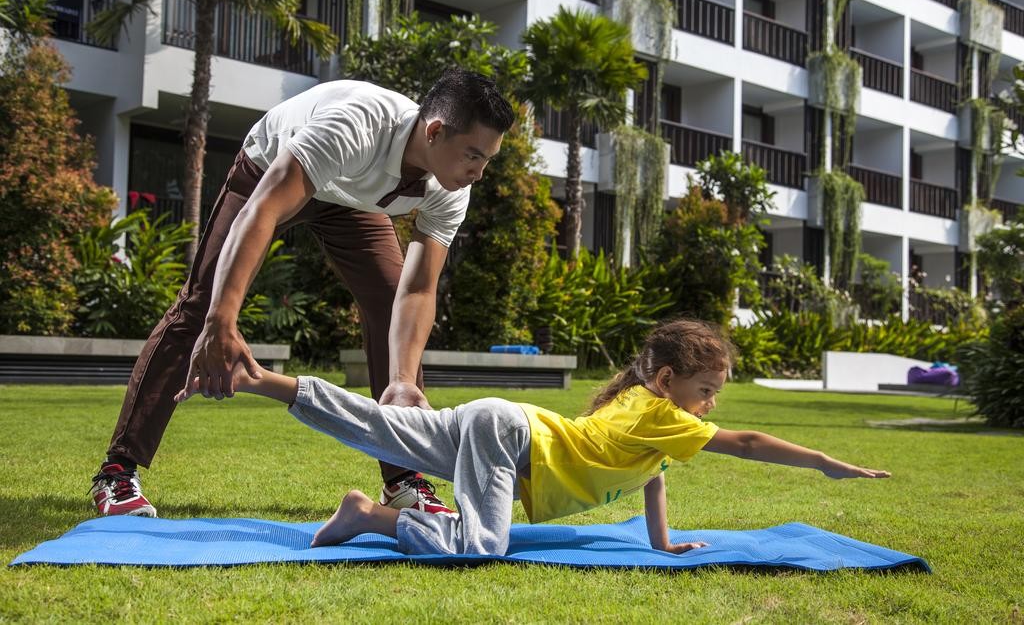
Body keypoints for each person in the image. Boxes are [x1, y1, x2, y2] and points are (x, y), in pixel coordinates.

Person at [90, 68, 516, 519]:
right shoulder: (357, 124)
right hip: (271, 168)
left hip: (352, 202)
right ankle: (117, 473)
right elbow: (264, 209)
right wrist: (222, 321)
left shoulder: (451, 186)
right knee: (201, 305)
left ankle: (403, 479)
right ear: (434, 132)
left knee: (389, 306)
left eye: (488, 159)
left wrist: (404, 379)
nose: (479, 172)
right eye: (473, 156)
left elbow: (417, 287)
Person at [174, 319, 891, 556]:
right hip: (507, 436)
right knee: (484, 544)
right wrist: (825, 461)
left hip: (498, 423)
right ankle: (373, 514)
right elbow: (753, 442)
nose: (710, 408)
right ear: (671, 380)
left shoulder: (647, 412)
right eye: (706, 392)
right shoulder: (666, 413)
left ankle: (262, 379)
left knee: (378, 421)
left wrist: (663, 544)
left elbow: (654, 477)